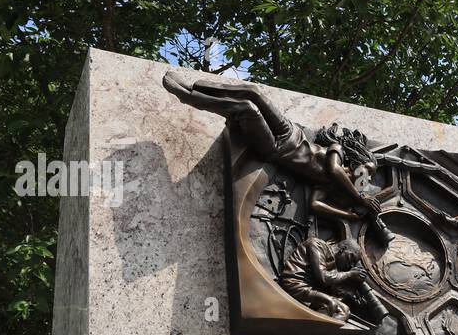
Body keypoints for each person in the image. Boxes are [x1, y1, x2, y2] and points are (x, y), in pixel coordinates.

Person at [162, 72, 391, 242]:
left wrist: (347, 213)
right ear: (357, 161)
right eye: (367, 170)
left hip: (275, 149)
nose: (366, 177)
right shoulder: (336, 153)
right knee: (254, 92)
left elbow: (314, 204)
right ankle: (196, 88)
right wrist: (360, 199)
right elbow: (335, 170)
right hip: (291, 132)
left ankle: (188, 97)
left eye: (368, 175)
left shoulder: (329, 186)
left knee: (246, 109)